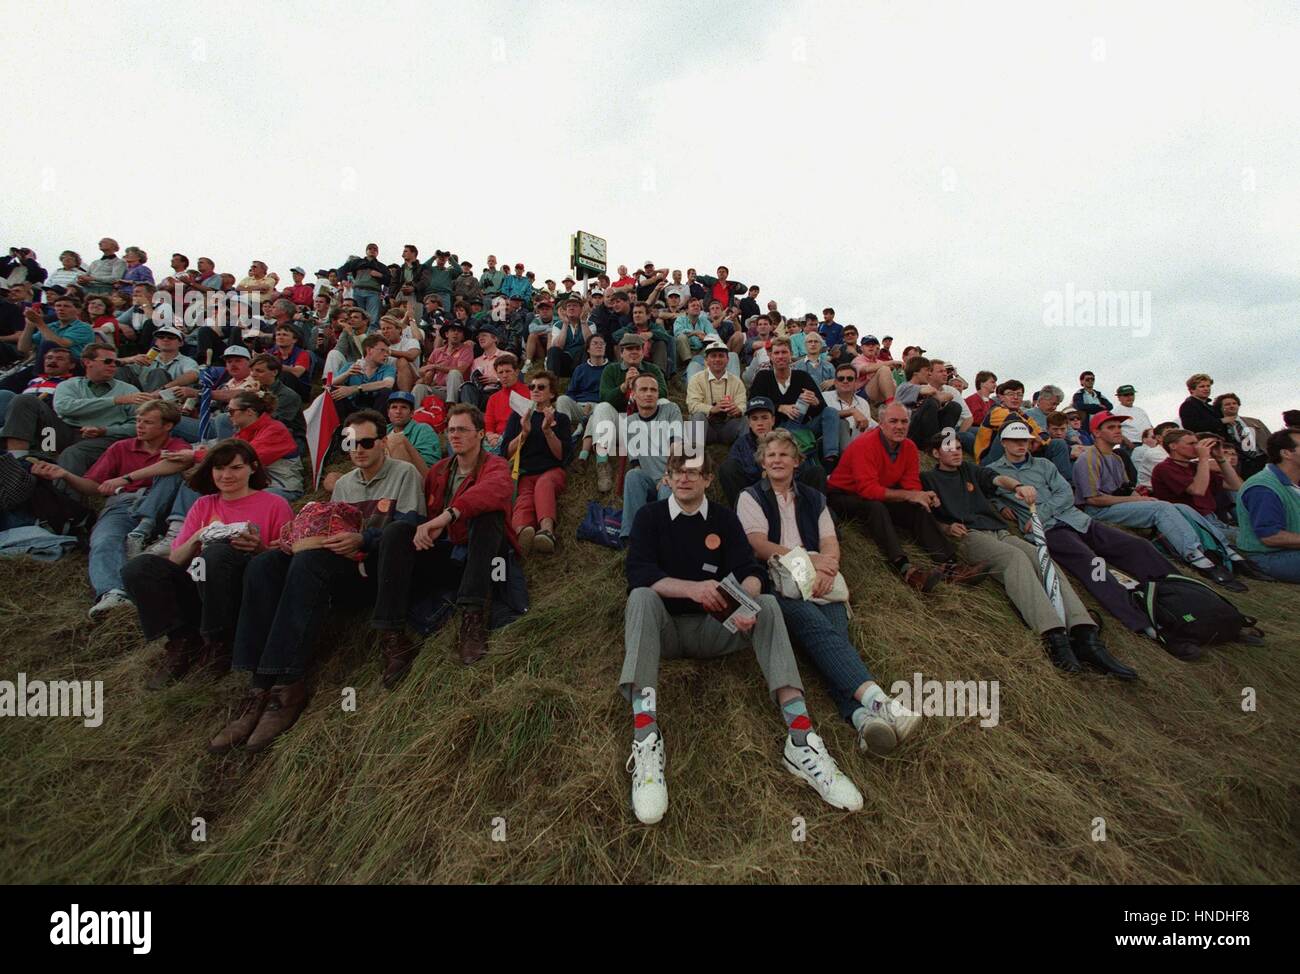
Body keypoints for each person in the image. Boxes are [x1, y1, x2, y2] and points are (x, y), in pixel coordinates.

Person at [620, 451, 863, 825]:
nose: (684, 479)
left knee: (766, 602)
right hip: (664, 632)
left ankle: (800, 738)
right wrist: (693, 590)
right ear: (667, 478)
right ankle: (646, 739)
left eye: (694, 472)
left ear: (707, 479)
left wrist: (745, 602)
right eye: (677, 472)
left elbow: (750, 570)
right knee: (640, 597)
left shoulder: (724, 518)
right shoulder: (649, 517)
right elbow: (639, 572)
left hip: (716, 628)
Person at [218, 410, 427, 753]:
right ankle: (258, 686)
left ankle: (287, 684)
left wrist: (363, 540)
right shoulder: (344, 484)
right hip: (340, 566)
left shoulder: (403, 474)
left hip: (377, 571)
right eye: (351, 443)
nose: (358, 449)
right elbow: (330, 530)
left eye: (366, 442)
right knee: (264, 566)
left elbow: (406, 529)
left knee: (311, 561)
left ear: (383, 444)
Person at [741, 429, 922, 749]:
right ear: (762, 464)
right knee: (817, 629)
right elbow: (757, 545)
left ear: (797, 462)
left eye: (784, 454)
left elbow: (830, 541)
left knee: (834, 640)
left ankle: (863, 721)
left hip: (820, 576)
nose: (778, 460)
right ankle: (883, 705)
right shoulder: (751, 496)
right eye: (771, 456)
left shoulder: (814, 498)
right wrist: (810, 562)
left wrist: (830, 566)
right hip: (779, 580)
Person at [922, 432, 1136, 676]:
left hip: (999, 531)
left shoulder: (970, 470)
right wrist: (946, 527)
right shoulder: (927, 478)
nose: (957, 451)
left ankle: (1084, 632)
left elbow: (997, 479)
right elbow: (924, 516)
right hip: (968, 535)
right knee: (1015, 559)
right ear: (936, 453)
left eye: (960, 447)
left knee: (1042, 559)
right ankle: (1053, 635)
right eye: (950, 448)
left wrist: (1018, 485)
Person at [986, 424, 1200, 657]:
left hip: (1077, 519)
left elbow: (1065, 493)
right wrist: (1001, 505)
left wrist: (1040, 512)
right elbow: (986, 495)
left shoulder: (1044, 464)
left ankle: (1187, 598)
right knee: (1093, 565)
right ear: (1003, 442)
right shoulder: (994, 472)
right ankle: (1149, 626)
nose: (1021, 445)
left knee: (1138, 546)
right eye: (1015, 440)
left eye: (1025, 440)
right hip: (1049, 531)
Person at [121, 439, 294, 688]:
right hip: (199, 583)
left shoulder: (275, 504)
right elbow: (175, 560)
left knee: (216, 555)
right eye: (219, 468)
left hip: (244, 588)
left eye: (235, 468)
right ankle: (181, 642)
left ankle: (220, 642)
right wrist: (196, 538)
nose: (226, 475)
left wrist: (258, 548)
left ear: (253, 468)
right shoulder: (203, 504)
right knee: (139, 567)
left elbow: (285, 558)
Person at [28, 400, 191, 618]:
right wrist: (65, 475)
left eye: (148, 422)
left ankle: (144, 531)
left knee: (169, 473)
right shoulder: (121, 447)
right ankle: (113, 592)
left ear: (167, 426)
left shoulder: (179, 447)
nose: (140, 426)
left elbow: (180, 465)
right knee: (104, 539)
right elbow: (94, 486)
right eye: (138, 421)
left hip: (163, 504)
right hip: (123, 502)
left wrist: (124, 478)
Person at [1074, 412, 1247, 590]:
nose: (1118, 431)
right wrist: (1139, 501)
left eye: (1119, 427)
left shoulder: (1117, 458)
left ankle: (1225, 550)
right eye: (1111, 427)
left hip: (1115, 504)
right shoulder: (1089, 458)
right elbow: (1093, 499)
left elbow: (1126, 488)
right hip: (1098, 511)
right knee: (1161, 508)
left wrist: (1139, 498)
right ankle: (1195, 557)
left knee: (1178, 506)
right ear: (1096, 433)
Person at [826, 403, 987, 591]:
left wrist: (923, 496)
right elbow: (867, 490)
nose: (900, 426)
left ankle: (951, 565)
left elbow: (911, 484)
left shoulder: (909, 447)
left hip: (877, 493)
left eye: (904, 421)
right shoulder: (865, 444)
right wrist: (911, 494)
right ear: (881, 423)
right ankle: (905, 568)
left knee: (917, 506)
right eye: (893, 421)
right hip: (843, 495)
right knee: (875, 506)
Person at [413, 403, 519, 664]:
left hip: (486, 552)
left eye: (462, 429)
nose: (454, 435)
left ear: (481, 434)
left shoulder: (496, 465)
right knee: (398, 532)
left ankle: (472, 619)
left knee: (488, 516)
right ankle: (391, 632)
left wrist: (449, 514)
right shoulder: (439, 471)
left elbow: (493, 492)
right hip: (448, 550)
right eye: (450, 430)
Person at [3, 342, 144, 475]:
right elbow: (64, 408)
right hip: (63, 432)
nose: (113, 366)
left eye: (116, 362)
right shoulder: (69, 384)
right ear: (87, 362)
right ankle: (18, 464)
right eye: (107, 361)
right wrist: (114, 401)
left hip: (104, 437)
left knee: (72, 454)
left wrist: (105, 430)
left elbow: (137, 426)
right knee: (23, 400)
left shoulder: (128, 390)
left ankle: (61, 496)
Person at [588, 334, 668, 493]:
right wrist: (623, 387)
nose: (633, 352)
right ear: (621, 352)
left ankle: (664, 461)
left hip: (645, 425)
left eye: (637, 348)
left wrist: (642, 387)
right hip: (619, 424)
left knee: (665, 404)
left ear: (643, 351)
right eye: (629, 349)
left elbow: (664, 393)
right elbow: (604, 397)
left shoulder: (653, 370)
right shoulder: (611, 369)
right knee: (602, 407)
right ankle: (602, 464)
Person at [503, 369, 570, 555]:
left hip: (551, 470)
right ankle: (522, 533)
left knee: (544, 484)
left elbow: (562, 455)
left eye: (541, 387)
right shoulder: (518, 417)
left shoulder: (561, 419)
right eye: (532, 386)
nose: (535, 390)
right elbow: (506, 452)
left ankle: (547, 531)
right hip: (525, 472)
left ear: (552, 393)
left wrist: (548, 432)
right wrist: (523, 434)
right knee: (524, 499)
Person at [719, 397, 827, 507]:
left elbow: (799, 468)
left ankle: (815, 513)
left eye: (764, 418)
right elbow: (734, 471)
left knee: (816, 472)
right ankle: (743, 513)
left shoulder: (786, 439)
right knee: (727, 467)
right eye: (755, 419)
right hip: (756, 495)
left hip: (787, 490)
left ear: (773, 420)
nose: (760, 423)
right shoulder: (741, 444)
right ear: (749, 422)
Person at [617, 373, 684, 543]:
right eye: (644, 389)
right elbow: (636, 463)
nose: (649, 394)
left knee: (667, 487)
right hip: (649, 481)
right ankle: (632, 536)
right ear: (634, 394)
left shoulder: (670, 410)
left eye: (653, 390)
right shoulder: (629, 422)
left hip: (673, 475)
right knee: (632, 475)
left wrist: (669, 473)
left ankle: (664, 539)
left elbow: (676, 446)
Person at [1233, 428, 1300, 583]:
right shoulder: (1263, 487)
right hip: (1268, 557)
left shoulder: (1292, 483)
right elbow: (1270, 536)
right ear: (1286, 454)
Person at [974, 379, 1073, 477]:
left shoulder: (1022, 414)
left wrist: (1040, 441)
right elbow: (1016, 422)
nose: (1015, 397)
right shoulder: (996, 410)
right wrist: (1036, 438)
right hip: (989, 459)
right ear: (1001, 397)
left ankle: (1066, 484)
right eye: (1010, 394)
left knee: (1058, 444)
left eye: (1019, 394)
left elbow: (1042, 433)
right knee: (1013, 427)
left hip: (1021, 451)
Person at [686, 338, 746, 446]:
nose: (717, 359)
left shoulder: (737, 382)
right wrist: (712, 409)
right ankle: (694, 458)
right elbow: (692, 405)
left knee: (745, 419)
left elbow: (742, 404)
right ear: (706, 360)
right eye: (713, 356)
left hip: (728, 425)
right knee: (697, 416)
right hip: (707, 425)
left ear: (727, 360)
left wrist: (738, 410)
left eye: (721, 356)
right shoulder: (696, 379)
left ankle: (746, 456)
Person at [895, 356, 964, 448]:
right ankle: (933, 445)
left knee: (954, 406)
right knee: (931, 402)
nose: (929, 374)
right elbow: (931, 392)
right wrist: (937, 396)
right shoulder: (905, 387)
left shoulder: (925, 389)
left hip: (925, 428)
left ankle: (946, 445)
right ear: (916, 372)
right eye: (927, 370)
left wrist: (938, 396)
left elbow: (949, 396)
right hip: (909, 429)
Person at [559, 333, 607, 442]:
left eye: (602, 344)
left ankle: (582, 429)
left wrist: (593, 406)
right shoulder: (580, 369)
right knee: (562, 399)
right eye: (595, 343)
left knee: (601, 409)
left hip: (599, 407)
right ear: (588, 349)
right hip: (580, 406)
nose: (599, 346)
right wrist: (578, 405)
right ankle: (564, 435)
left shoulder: (611, 369)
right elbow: (571, 392)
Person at [330, 333, 395, 412]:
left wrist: (355, 389)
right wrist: (346, 374)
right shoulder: (351, 366)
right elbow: (332, 383)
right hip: (352, 407)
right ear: (369, 350)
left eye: (387, 352)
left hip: (375, 408)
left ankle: (378, 422)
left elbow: (388, 383)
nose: (386, 355)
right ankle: (341, 423)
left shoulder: (388, 368)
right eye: (382, 350)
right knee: (334, 390)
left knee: (386, 391)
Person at [414, 318, 473, 405]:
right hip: (439, 390)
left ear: (463, 336)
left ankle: (451, 406)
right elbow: (426, 374)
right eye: (453, 330)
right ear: (446, 334)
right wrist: (427, 374)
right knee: (419, 387)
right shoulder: (437, 351)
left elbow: (460, 370)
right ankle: (415, 415)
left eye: (459, 331)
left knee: (454, 373)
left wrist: (436, 366)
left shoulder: (466, 349)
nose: (456, 333)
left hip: (459, 391)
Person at [481, 354, 529, 453]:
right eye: (501, 372)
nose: (504, 375)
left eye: (508, 371)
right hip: (497, 439)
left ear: (516, 372)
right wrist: (491, 437)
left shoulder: (530, 392)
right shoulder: (493, 399)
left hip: (521, 437)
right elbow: (489, 426)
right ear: (497, 375)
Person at [1214, 393, 1270, 477]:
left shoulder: (1255, 422)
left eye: (1234, 403)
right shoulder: (1219, 426)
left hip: (1264, 459)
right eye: (1227, 404)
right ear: (1220, 408)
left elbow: (1270, 438)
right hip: (1242, 464)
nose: (1232, 406)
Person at [384, 390, 440, 473]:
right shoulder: (383, 430)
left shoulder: (423, 429)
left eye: (404, 407)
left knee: (395, 440)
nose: (398, 411)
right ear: (388, 413)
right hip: (386, 476)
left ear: (412, 413)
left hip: (417, 477)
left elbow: (430, 465)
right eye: (394, 407)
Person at [851, 335, 899, 407]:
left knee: (892, 381)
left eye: (873, 344)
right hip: (859, 397)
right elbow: (866, 369)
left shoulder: (878, 362)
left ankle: (891, 403)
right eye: (867, 344)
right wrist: (891, 362)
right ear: (861, 348)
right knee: (884, 369)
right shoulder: (857, 360)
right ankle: (891, 405)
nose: (871, 346)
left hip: (875, 395)